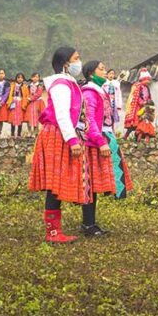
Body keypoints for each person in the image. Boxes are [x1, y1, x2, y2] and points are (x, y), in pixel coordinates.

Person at [28, 47, 87, 244]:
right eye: (76, 58)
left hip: (61, 133)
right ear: (65, 63)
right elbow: (62, 114)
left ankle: (55, 230)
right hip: (57, 134)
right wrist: (72, 139)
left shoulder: (68, 83)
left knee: (57, 183)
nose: (79, 62)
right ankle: (53, 232)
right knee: (54, 184)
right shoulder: (61, 85)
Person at [81, 60, 133, 234]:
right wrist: (101, 141)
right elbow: (89, 120)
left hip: (103, 138)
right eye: (101, 69)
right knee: (91, 183)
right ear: (91, 74)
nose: (105, 72)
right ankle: (88, 224)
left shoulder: (100, 91)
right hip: (94, 142)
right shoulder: (89, 93)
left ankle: (90, 222)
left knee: (95, 184)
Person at [98, 67, 132, 200]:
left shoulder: (114, 85)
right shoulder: (97, 90)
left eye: (111, 73)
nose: (109, 75)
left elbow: (117, 96)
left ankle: (116, 192)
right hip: (98, 133)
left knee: (116, 160)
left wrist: (117, 105)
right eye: (106, 72)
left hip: (106, 129)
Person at [123, 69, 152, 140]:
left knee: (142, 123)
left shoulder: (147, 87)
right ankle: (126, 136)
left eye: (149, 80)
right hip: (138, 107)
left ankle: (137, 138)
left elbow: (148, 96)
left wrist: (148, 103)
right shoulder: (138, 86)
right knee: (134, 124)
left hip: (144, 107)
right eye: (147, 80)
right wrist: (142, 102)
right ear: (142, 79)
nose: (148, 81)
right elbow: (136, 97)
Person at [6, 73, 26, 138]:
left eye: (21, 78)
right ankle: (12, 134)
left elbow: (26, 96)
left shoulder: (24, 87)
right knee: (13, 118)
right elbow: (9, 93)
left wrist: (25, 102)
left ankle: (19, 134)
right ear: (16, 78)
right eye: (18, 77)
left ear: (23, 79)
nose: (20, 79)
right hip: (13, 103)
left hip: (20, 103)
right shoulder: (12, 85)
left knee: (20, 119)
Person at [25, 73, 45, 137]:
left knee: (36, 117)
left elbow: (38, 94)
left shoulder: (40, 86)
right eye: (34, 77)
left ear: (39, 78)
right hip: (30, 103)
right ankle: (29, 131)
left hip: (37, 102)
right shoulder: (28, 86)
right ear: (31, 78)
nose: (35, 78)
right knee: (29, 117)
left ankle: (35, 132)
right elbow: (26, 93)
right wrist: (28, 98)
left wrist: (30, 98)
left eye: (37, 77)